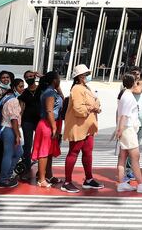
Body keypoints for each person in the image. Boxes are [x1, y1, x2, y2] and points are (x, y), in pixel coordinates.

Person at [62, 64, 103, 193]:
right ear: (79, 77)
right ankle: (67, 182)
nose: (88, 76)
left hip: (88, 127)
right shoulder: (77, 89)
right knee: (73, 153)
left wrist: (94, 106)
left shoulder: (85, 87)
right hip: (78, 126)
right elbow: (79, 109)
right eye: (86, 74)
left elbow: (96, 102)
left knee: (87, 153)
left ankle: (89, 179)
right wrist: (92, 108)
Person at [115, 73, 142, 193]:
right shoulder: (128, 96)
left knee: (122, 157)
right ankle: (141, 184)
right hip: (128, 130)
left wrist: (119, 130)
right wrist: (121, 130)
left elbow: (121, 114)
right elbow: (124, 115)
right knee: (135, 157)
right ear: (133, 83)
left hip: (126, 129)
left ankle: (122, 183)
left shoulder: (124, 94)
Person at [33, 71, 63, 188]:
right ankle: (41, 179)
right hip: (47, 124)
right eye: (58, 79)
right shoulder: (50, 93)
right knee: (44, 152)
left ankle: (49, 175)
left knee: (49, 152)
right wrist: (54, 127)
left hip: (50, 123)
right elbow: (49, 111)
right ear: (54, 80)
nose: (59, 81)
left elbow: (61, 98)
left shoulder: (52, 91)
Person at [123, 67, 142, 181]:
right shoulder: (128, 86)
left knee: (136, 146)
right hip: (131, 123)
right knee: (131, 147)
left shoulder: (139, 85)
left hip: (140, 120)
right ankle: (128, 170)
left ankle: (132, 168)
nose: (136, 76)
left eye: (138, 74)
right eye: (134, 74)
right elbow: (137, 90)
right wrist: (141, 84)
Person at [0, 78, 25, 189]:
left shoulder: (7, 97)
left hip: (6, 129)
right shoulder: (13, 100)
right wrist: (17, 134)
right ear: (14, 87)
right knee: (9, 154)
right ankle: (4, 179)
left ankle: (6, 175)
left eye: (23, 86)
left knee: (18, 152)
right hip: (9, 129)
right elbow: (14, 120)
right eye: (20, 86)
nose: (22, 89)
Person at [18, 70, 41, 178]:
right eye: (27, 77)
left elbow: (52, 82)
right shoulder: (24, 93)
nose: (30, 78)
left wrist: (41, 76)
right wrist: (18, 123)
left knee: (41, 144)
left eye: (32, 76)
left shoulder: (42, 89)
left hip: (40, 120)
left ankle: (41, 170)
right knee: (28, 145)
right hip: (27, 121)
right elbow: (21, 108)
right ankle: (26, 167)